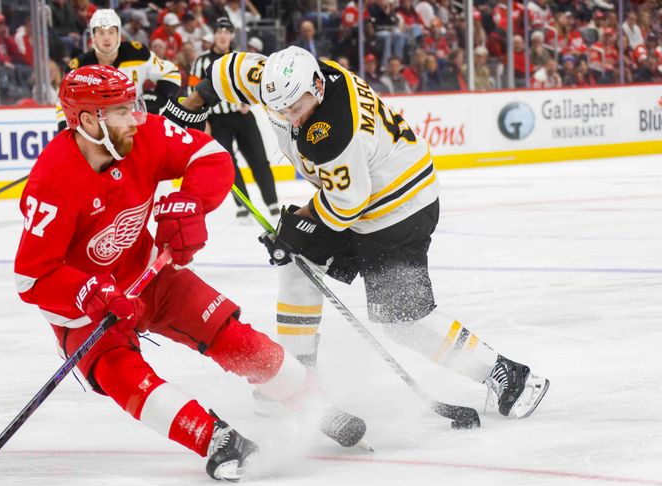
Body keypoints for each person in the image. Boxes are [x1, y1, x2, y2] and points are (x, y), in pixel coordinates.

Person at [15, 64, 366, 482]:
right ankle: (214, 438)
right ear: (89, 120)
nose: (136, 119)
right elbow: (32, 277)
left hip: (151, 274)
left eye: (135, 107)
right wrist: (88, 292)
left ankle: (314, 403)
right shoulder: (52, 182)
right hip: (86, 306)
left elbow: (211, 156)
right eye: (124, 111)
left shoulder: (144, 136)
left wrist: (192, 203)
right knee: (120, 374)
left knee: (228, 333)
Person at [165, 45, 550, 420]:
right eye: (280, 110)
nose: (290, 118)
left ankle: (508, 375)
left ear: (317, 86)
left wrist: (299, 222)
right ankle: (299, 382)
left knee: (402, 321)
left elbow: (347, 202)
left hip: (399, 209)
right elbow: (227, 70)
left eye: (296, 109)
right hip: (361, 197)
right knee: (298, 264)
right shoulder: (278, 81)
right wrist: (193, 104)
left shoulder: (334, 128)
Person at [188, 17, 279, 220]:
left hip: (242, 116)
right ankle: (243, 206)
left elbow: (256, 85)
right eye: (219, 31)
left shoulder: (241, 58)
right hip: (216, 120)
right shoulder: (201, 61)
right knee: (228, 164)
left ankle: (272, 203)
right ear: (214, 35)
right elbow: (192, 92)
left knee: (259, 159)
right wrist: (203, 122)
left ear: (231, 35)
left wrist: (249, 101)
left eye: (226, 31)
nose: (222, 35)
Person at [60, 9, 181, 129]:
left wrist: (158, 99)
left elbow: (171, 72)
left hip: (134, 124)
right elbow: (63, 102)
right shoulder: (79, 68)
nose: (106, 38)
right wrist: (65, 129)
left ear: (119, 34)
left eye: (111, 32)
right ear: (93, 36)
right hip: (98, 131)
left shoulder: (137, 53)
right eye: (101, 33)